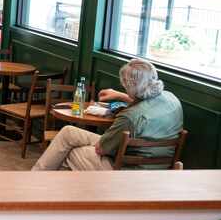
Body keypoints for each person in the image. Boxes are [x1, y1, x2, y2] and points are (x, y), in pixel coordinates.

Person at [32, 59, 183, 171]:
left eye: (124, 85)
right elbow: (146, 100)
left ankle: (36, 184)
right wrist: (120, 95)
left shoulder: (129, 117)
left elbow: (101, 149)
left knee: (71, 153)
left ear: (129, 85)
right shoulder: (171, 99)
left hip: (129, 171)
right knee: (68, 132)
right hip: (160, 166)